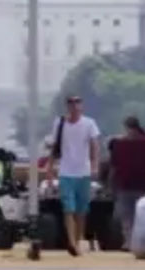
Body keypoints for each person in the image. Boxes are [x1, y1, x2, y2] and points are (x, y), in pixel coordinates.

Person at [49, 95, 100, 257]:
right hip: (66, 172)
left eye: (77, 101)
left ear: (82, 105)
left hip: (83, 172)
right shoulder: (60, 123)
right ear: (67, 106)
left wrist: (94, 166)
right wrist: (49, 168)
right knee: (68, 209)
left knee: (81, 211)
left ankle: (77, 242)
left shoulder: (89, 124)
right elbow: (55, 146)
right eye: (71, 102)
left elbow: (94, 146)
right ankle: (71, 242)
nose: (74, 105)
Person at [109, 117, 145, 248]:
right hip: (142, 185)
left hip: (126, 184)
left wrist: (111, 185)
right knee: (139, 215)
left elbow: (114, 167)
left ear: (127, 128)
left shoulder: (120, 145)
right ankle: (138, 241)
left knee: (127, 216)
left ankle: (130, 241)